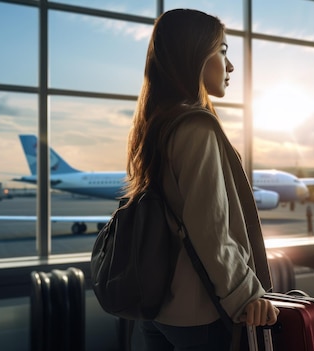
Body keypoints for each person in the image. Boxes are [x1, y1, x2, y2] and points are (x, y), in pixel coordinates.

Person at [124, 9, 279, 351]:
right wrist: (246, 295)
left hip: (157, 308)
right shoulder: (197, 127)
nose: (230, 66)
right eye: (223, 50)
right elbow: (210, 228)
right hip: (199, 312)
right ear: (194, 54)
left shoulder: (155, 125)